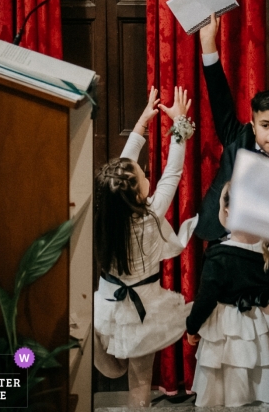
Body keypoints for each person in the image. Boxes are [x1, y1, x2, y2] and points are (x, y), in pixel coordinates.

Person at [93, 86, 197, 407]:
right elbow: (173, 172)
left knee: (114, 367)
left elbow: (124, 166)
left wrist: (141, 125)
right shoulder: (151, 216)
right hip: (143, 312)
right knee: (139, 381)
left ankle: (99, 352)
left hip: (108, 308)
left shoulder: (107, 217)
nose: (143, 171)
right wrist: (178, 126)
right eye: (141, 174)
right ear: (138, 194)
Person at [194, 14, 269, 244]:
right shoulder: (237, 138)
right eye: (266, 125)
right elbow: (219, 98)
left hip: (262, 259)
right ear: (253, 126)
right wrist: (208, 44)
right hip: (220, 241)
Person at [186, 182, 269, 407]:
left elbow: (206, 299)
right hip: (261, 330)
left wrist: (192, 327)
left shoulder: (218, 255)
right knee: (258, 391)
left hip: (225, 332)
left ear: (227, 210)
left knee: (223, 393)